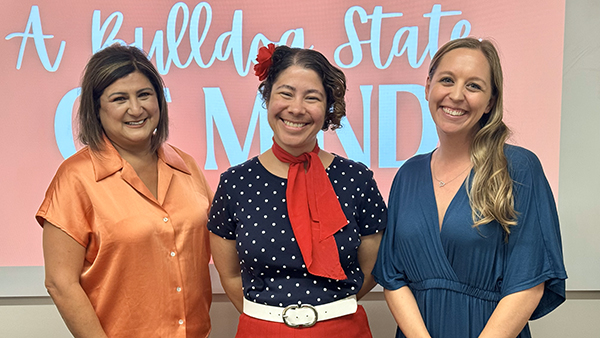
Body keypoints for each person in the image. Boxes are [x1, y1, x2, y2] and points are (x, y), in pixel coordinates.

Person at [372, 37, 567, 338]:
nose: (457, 95)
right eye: (447, 80)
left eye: (474, 86)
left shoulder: (519, 168)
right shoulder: (407, 174)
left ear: (490, 101)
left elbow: (528, 283)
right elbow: (393, 277)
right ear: (428, 86)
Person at [208, 44, 387, 337]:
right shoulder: (234, 183)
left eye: (312, 97)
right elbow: (229, 274)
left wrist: (327, 313)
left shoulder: (357, 179)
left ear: (328, 106)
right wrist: (274, 318)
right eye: (286, 93)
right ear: (267, 96)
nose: (296, 108)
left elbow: (371, 267)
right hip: (261, 330)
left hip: (343, 329)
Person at [37, 44, 213, 338]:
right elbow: (60, 282)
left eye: (144, 95)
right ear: (96, 109)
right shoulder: (75, 178)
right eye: (120, 98)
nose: (136, 109)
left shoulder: (188, 167)